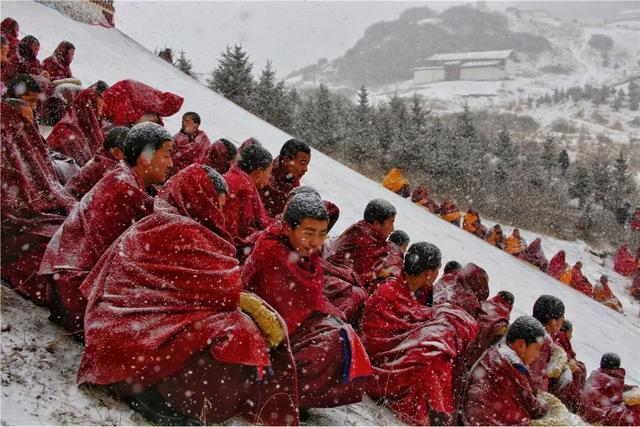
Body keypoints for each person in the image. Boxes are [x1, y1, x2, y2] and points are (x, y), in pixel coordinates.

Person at [77, 164, 299, 425]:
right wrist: (246, 302)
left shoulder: (159, 220)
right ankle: (160, 392)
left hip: (116, 332)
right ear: (198, 199)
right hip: (133, 339)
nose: (218, 214)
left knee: (238, 327)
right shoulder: (181, 230)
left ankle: (158, 385)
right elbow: (222, 293)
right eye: (215, 205)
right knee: (241, 332)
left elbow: (211, 289)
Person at [39, 123, 173, 336]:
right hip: (76, 290)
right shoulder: (124, 188)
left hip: (72, 282)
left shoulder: (130, 180)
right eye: (166, 156)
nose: (171, 163)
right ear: (145, 157)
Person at [241, 195, 372, 412]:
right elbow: (267, 297)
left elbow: (309, 298)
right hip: (265, 325)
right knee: (329, 344)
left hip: (293, 323)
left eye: (322, 234)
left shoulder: (306, 253)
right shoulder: (273, 249)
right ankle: (272, 396)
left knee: (344, 336)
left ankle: (292, 396)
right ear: (286, 228)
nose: (316, 242)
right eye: (309, 233)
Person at [361, 242, 479, 425]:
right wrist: (416, 340)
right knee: (428, 356)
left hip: (405, 351)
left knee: (439, 349)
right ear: (429, 273)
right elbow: (375, 340)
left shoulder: (424, 291)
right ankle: (422, 414)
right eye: (437, 269)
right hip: (381, 361)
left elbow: (421, 321)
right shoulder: (388, 292)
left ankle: (436, 411)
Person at [1, 101, 75, 305]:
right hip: (17, 229)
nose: (31, 130)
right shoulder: (6, 146)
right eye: (24, 122)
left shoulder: (28, 148)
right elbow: (12, 207)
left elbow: (49, 187)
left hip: (38, 218)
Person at [462, 316, 549, 425]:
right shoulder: (510, 367)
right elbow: (533, 408)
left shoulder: (495, 353)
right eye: (536, 349)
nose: (537, 356)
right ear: (521, 344)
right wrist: (547, 406)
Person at [326, 199, 398, 293]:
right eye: (391, 222)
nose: (392, 229)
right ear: (376, 223)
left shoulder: (366, 232)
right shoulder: (364, 238)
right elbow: (361, 277)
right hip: (334, 281)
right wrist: (380, 273)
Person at [223, 143, 273, 262]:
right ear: (259, 172)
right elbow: (232, 235)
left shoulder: (233, 177)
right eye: (269, 172)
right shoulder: (242, 189)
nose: (270, 177)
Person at [47, 81, 109, 166]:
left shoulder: (95, 130)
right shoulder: (65, 132)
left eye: (102, 107)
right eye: (97, 107)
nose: (100, 113)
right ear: (88, 108)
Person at [64, 127, 129, 199]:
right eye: (129, 152)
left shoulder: (103, 157)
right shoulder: (108, 169)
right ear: (116, 152)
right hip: (73, 204)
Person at [580, 353, 640, 426]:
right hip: (601, 417)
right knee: (634, 409)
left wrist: (628, 387)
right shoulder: (612, 380)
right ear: (617, 366)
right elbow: (618, 399)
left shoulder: (597, 374)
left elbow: (609, 388)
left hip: (588, 411)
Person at [529, 295, 570, 393]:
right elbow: (534, 376)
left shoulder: (526, 323)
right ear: (552, 322)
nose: (563, 321)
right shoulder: (543, 339)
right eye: (562, 317)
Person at [260, 138, 311, 218]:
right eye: (302, 163)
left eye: (307, 164)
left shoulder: (293, 182)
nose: (306, 169)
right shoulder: (264, 173)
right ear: (286, 160)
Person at [102, 79, 183, 127]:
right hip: (120, 94)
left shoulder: (156, 99)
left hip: (120, 93)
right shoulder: (156, 101)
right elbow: (123, 118)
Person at [550, 320, 587, 411]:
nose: (571, 336)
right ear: (566, 332)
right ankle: (571, 404)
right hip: (556, 391)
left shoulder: (561, 341)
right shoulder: (559, 342)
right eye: (571, 333)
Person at [169, 111, 213, 177]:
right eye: (182, 121)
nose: (183, 123)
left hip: (193, 177)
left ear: (196, 124)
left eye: (187, 121)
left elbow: (206, 163)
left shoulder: (204, 142)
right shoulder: (175, 139)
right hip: (173, 177)